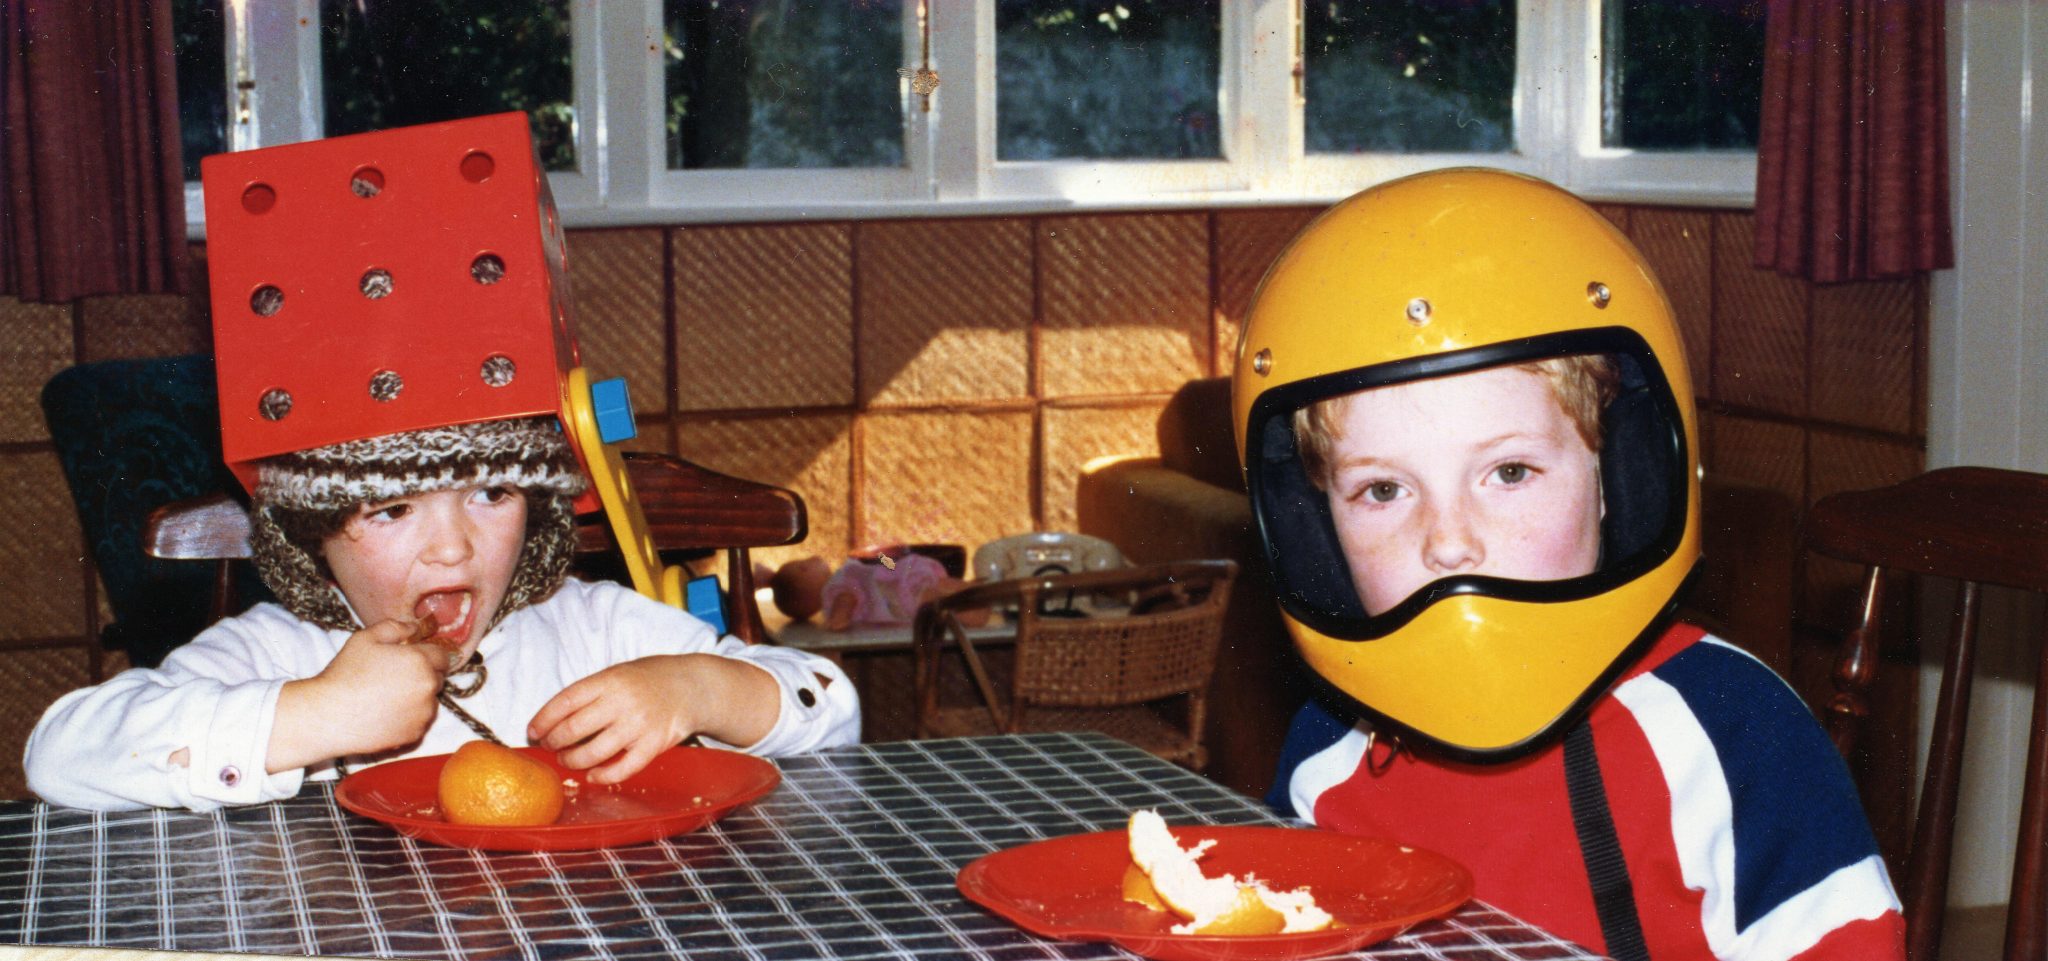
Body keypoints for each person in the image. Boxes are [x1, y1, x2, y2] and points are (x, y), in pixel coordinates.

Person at [23, 113, 859, 812]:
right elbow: (57, 756)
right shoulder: (282, 653)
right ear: (315, 531)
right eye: (392, 509)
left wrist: (699, 690)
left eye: (490, 491)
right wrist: (313, 715)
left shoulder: (590, 630)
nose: (454, 548)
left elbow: (835, 706)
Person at [1230, 168, 1904, 961]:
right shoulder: (1331, 746)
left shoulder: (1733, 727)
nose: (1449, 541)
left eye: (1509, 473)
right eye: (1383, 488)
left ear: (1617, 478)